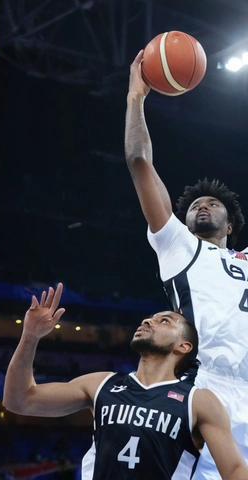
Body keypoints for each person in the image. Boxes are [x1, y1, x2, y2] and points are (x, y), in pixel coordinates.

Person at [125, 49, 248, 479]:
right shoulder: (180, 246)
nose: (203, 206)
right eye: (195, 204)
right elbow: (140, 162)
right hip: (205, 386)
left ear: (230, 224)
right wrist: (136, 98)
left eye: (212, 204)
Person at [3, 283, 248, 479]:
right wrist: (30, 337)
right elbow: (20, 401)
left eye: (164, 321)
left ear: (184, 346)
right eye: (150, 318)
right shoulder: (101, 384)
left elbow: (235, 471)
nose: (147, 321)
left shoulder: (198, 401)